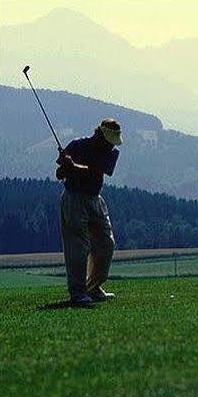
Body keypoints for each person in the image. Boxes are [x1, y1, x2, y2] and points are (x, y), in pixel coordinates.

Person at [55, 118, 123, 304]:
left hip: (95, 198)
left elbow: (95, 172)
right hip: (73, 198)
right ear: (99, 134)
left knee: (106, 244)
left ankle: (93, 287)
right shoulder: (77, 145)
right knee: (78, 247)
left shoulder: (111, 154)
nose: (111, 145)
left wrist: (72, 166)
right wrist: (65, 165)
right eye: (109, 140)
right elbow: (59, 174)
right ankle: (77, 293)